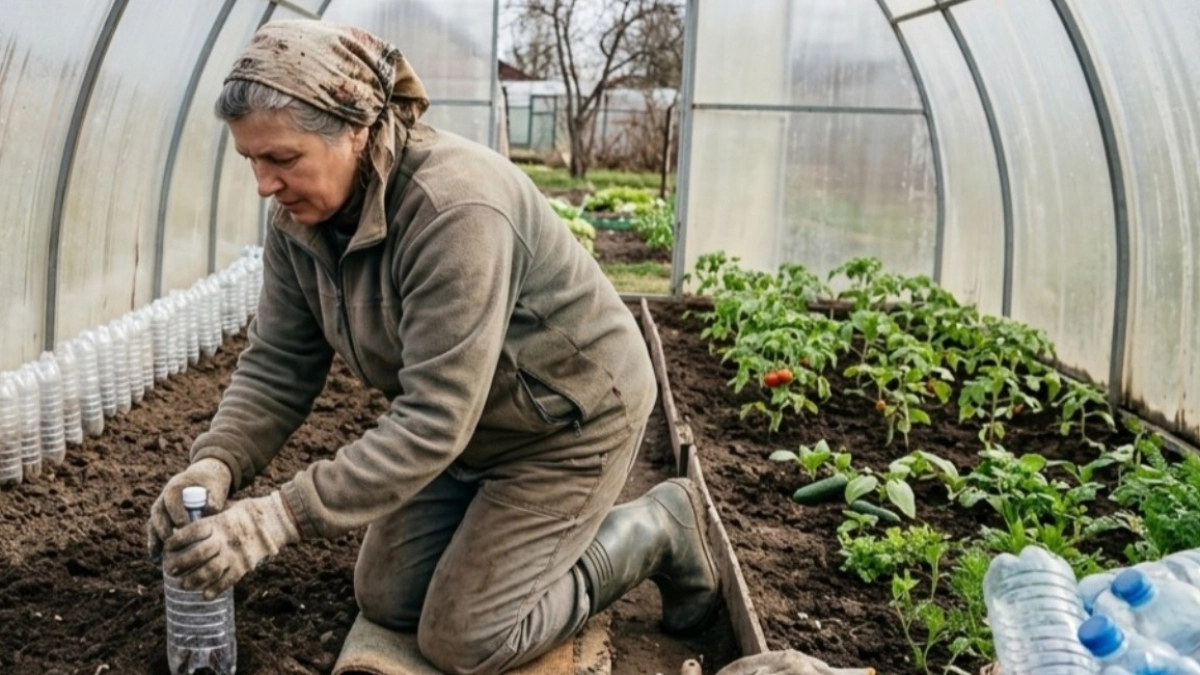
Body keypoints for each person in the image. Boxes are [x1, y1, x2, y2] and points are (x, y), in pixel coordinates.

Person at [145, 19, 720, 675]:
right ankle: (501, 530)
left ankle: (657, 528)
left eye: (282, 158)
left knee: (467, 638)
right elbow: (278, 366)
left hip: (567, 422)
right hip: (471, 426)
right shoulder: (297, 224)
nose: (263, 184)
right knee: (387, 598)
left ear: (355, 131)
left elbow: (434, 416)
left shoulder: (454, 210)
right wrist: (217, 462)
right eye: (252, 160)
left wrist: (275, 518)